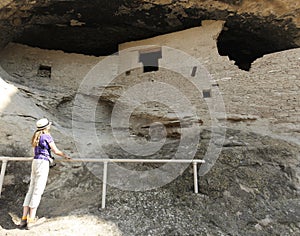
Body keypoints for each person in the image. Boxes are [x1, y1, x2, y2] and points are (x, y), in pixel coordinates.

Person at [20, 118, 71, 229]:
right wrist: (65, 155)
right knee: (38, 190)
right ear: (47, 127)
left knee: (31, 189)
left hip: (35, 161)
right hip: (43, 163)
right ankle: (31, 220)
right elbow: (55, 150)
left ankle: (24, 218)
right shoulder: (47, 136)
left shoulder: (36, 136)